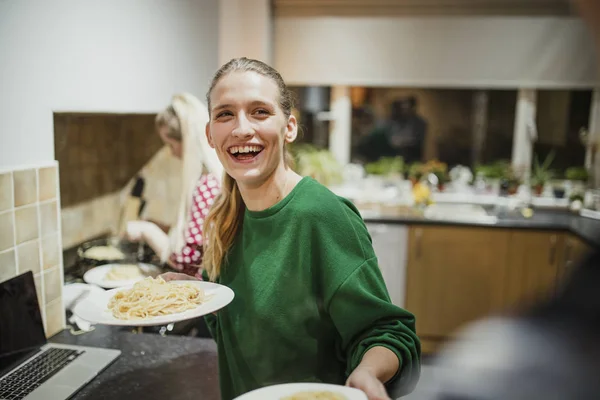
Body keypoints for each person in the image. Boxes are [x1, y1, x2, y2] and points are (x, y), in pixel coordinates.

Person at [164, 57, 420, 400]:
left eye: (259, 112)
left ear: (290, 127)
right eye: (225, 114)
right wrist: (196, 293)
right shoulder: (225, 215)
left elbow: (388, 332)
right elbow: (241, 325)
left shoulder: (322, 215)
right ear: (210, 134)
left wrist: (368, 371)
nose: (241, 128)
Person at [126, 93, 223, 279]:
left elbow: (186, 259)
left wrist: (147, 230)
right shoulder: (216, 178)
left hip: (207, 291)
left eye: (171, 145)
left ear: (187, 143)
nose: (172, 153)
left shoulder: (207, 185)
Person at [356, 96, 428, 164]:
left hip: (408, 157)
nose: (401, 111)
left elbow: (412, 141)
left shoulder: (417, 122)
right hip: (384, 157)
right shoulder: (385, 123)